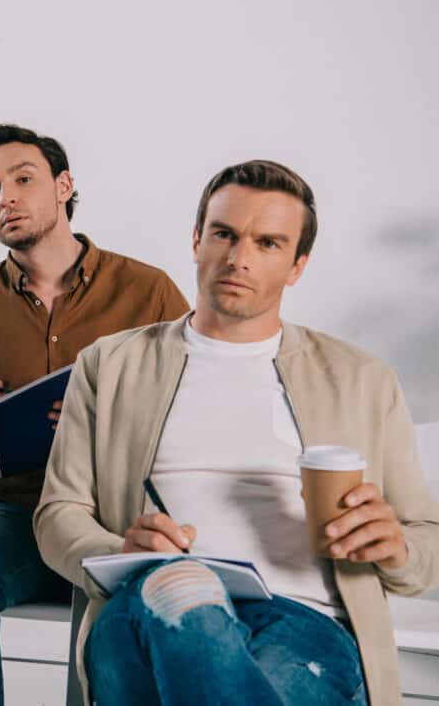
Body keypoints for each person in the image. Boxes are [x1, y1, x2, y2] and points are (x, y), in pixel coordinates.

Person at [34, 160, 439, 705]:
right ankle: (188, 595)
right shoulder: (109, 365)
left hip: (303, 619)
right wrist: (119, 547)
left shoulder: (362, 380)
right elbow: (57, 515)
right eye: (224, 234)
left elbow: (426, 543)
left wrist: (394, 547)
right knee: (179, 598)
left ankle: (191, 600)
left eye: (268, 243)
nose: (238, 258)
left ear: (297, 266)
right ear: (197, 240)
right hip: (144, 603)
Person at [0, 123, 189, 702]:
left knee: (157, 589)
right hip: (12, 518)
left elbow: (194, 417)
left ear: (64, 186)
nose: (6, 198)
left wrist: (104, 416)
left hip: (116, 512)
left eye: (23, 179)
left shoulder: (150, 293)